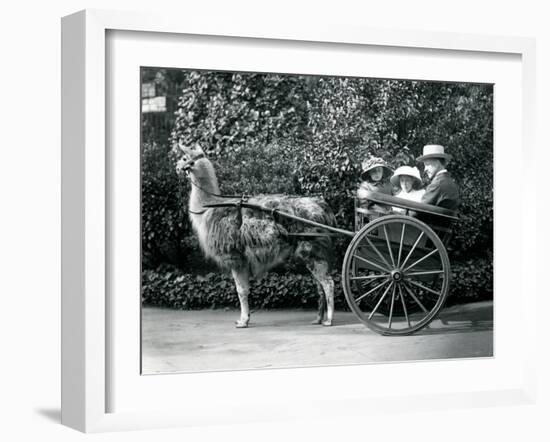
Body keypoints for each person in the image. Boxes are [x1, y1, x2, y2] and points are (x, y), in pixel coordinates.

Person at [417, 144, 460, 210]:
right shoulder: (449, 182)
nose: (425, 169)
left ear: (437, 163)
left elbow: (418, 210)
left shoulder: (437, 184)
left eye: (427, 165)